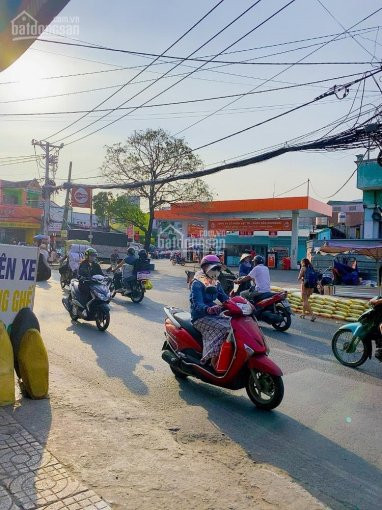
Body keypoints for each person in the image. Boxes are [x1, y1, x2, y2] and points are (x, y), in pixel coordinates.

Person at [190, 255, 230, 368]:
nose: (216, 271)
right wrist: (207, 309)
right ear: (204, 268)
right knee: (225, 328)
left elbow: (224, 297)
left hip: (214, 314)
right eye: (213, 268)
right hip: (200, 317)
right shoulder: (197, 283)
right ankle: (212, 360)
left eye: (217, 269)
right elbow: (197, 303)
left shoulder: (215, 282)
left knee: (234, 324)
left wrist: (237, 303)